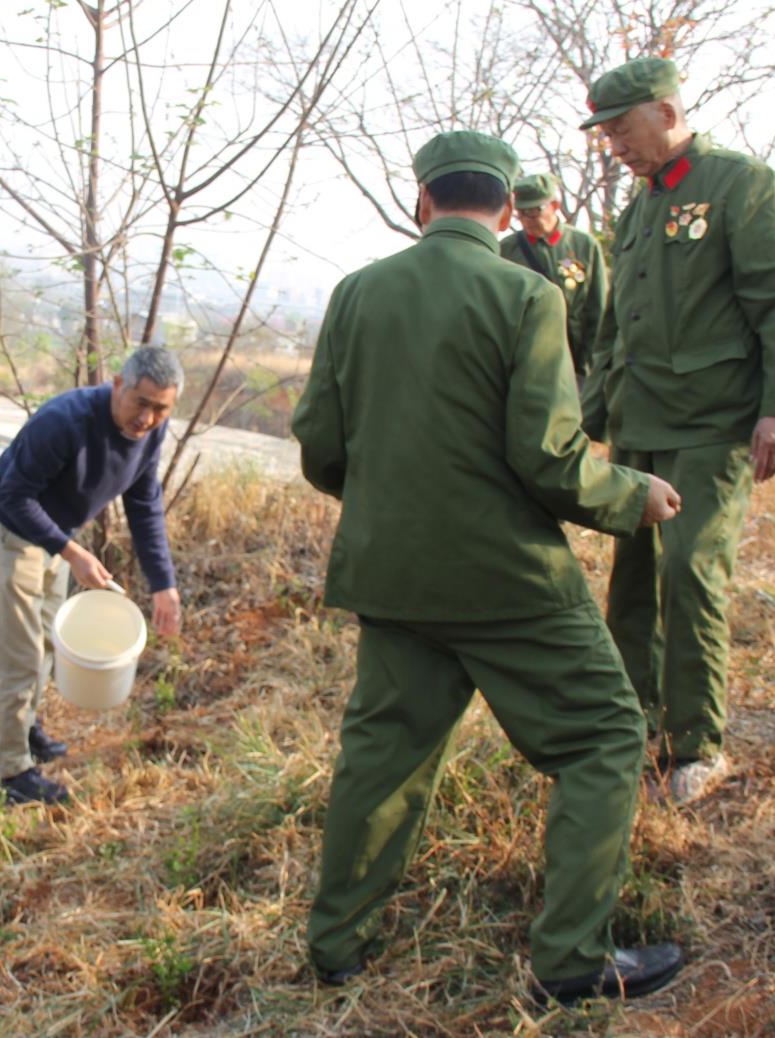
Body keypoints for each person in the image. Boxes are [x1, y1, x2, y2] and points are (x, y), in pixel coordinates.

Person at [293, 129, 686, 1005]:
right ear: (507, 210)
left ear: (422, 201)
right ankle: (572, 959)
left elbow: (321, 445)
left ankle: (337, 948)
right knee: (604, 734)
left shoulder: (357, 293)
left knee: (384, 755)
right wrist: (633, 496)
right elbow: (549, 459)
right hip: (508, 581)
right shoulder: (527, 294)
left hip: (391, 574)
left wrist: (393, 504)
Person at [578, 57, 775, 804]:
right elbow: (616, 326)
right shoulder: (639, 207)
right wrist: (588, 414)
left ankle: (695, 745)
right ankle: (633, 723)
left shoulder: (740, 184)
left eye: (622, 129)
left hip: (712, 422)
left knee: (691, 573)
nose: (615, 145)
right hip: (638, 419)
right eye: (606, 134)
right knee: (631, 581)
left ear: (668, 113)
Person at [0, 346, 183, 805]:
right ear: (118, 384)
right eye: (141, 403)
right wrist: (72, 553)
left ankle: (24, 726)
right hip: (12, 530)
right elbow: (13, 495)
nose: (147, 418)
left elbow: (144, 504)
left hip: (56, 535)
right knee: (20, 655)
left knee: (47, 639)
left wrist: (163, 583)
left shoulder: (151, 431)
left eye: (160, 409)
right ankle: (14, 773)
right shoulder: (65, 421)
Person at [499, 172, 608, 386]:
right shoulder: (506, 250)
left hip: (576, 362)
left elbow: (598, 309)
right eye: (522, 213)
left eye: (535, 211)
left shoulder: (583, 245)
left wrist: (590, 367)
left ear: (554, 206)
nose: (528, 219)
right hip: (526, 362)